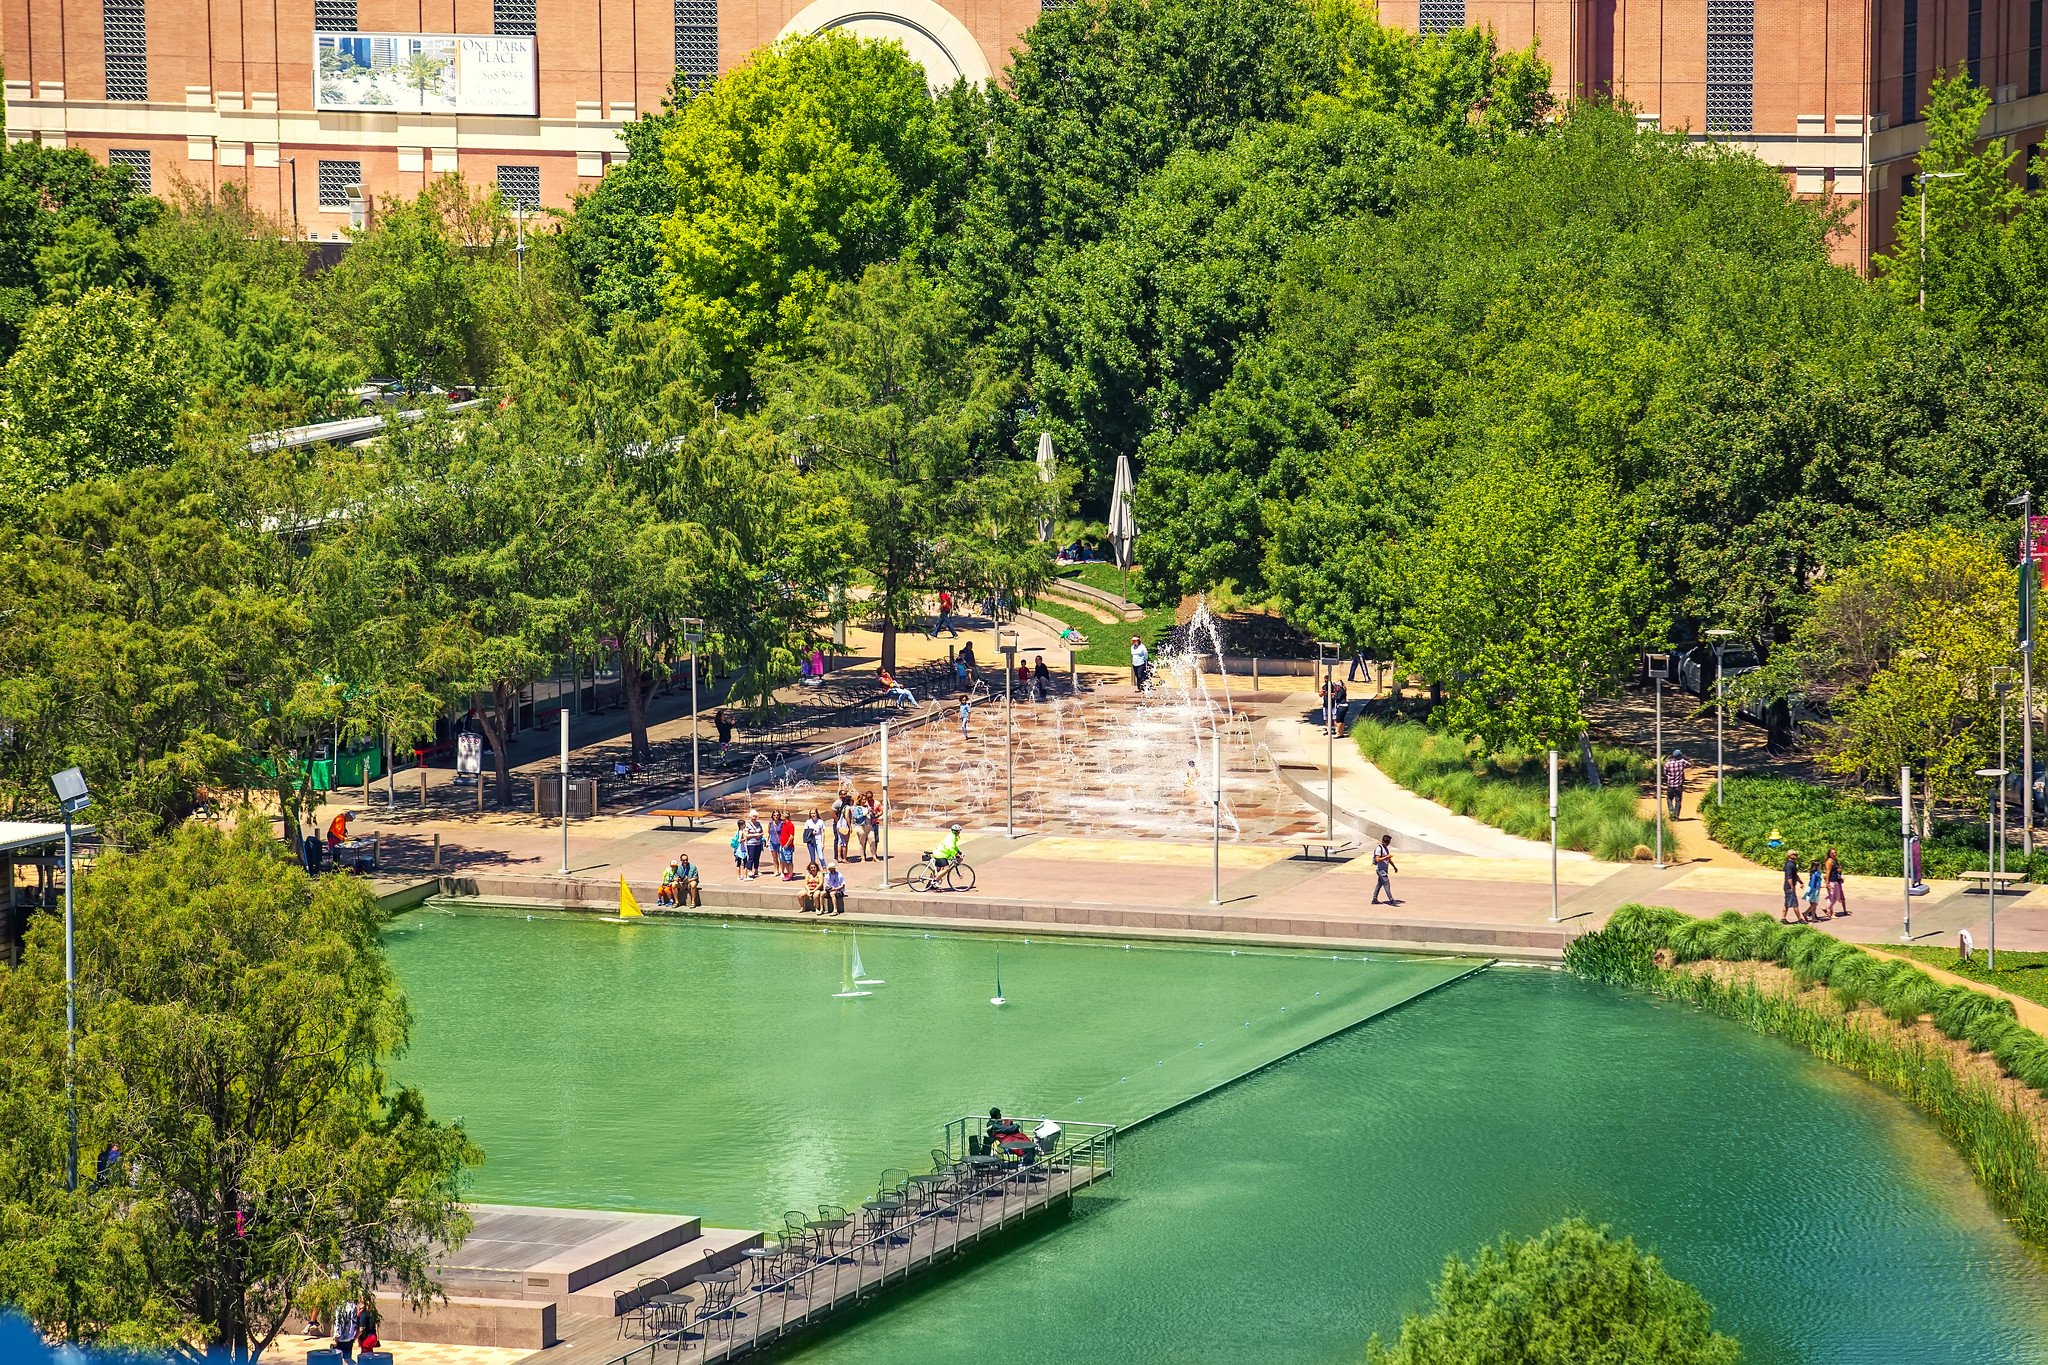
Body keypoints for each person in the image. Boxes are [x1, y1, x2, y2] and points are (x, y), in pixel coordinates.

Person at [1371, 835, 1398, 906]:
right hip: (1380, 870)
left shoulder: (1385, 848)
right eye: (1388, 842)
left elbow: (1388, 859)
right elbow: (1378, 859)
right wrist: (1386, 857)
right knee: (1387, 884)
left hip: (1384, 870)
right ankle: (1391, 900)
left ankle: (1374, 899)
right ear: (1384, 842)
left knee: (1379, 884)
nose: (1389, 844)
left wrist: (1394, 867)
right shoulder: (1379, 849)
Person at [1663, 749, 1688, 821]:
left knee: (1669, 798)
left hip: (1670, 785)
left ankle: (1671, 812)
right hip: (1679, 785)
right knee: (1678, 800)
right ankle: (1676, 816)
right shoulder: (1681, 762)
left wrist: (1669, 776)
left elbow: (1665, 772)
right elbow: (1690, 764)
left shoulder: (1668, 763)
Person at [1823, 847, 1847, 918]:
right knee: (1831, 897)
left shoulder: (1835, 860)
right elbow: (1828, 872)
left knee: (1837, 897)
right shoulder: (1829, 861)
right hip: (1831, 880)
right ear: (1829, 854)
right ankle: (1829, 912)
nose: (1834, 854)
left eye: (1835, 852)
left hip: (1836, 880)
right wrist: (1827, 883)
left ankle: (1827, 908)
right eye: (1832, 853)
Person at [743, 812, 766, 878]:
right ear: (750, 816)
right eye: (753, 816)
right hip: (751, 844)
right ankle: (749, 870)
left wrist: (761, 835)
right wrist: (755, 835)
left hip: (758, 843)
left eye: (756, 816)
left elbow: (761, 831)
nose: (754, 818)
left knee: (757, 857)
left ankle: (756, 869)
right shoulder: (748, 824)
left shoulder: (758, 823)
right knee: (751, 857)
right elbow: (746, 834)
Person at [1782, 849, 1801, 924]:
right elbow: (1789, 877)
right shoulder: (1790, 865)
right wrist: (1792, 886)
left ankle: (1783, 918)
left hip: (1788, 886)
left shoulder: (1791, 864)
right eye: (1795, 855)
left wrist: (1800, 882)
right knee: (1794, 903)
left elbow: (1795, 875)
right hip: (1789, 887)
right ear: (1790, 856)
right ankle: (1800, 919)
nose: (1796, 856)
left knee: (1786, 903)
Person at [778, 812, 798, 879]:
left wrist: (787, 844)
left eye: (782, 815)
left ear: (785, 816)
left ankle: (790, 875)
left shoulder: (790, 825)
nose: (781, 817)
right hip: (782, 844)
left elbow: (791, 836)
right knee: (784, 860)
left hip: (787, 846)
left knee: (789, 861)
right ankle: (788, 873)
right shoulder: (783, 824)